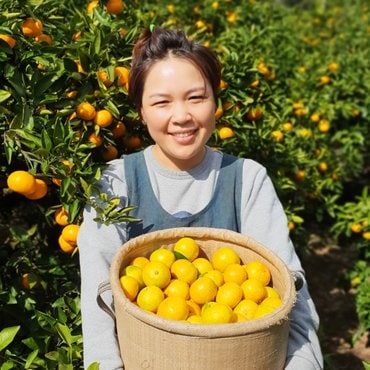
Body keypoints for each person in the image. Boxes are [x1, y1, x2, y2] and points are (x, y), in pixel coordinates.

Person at [77, 26, 323, 369]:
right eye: (162, 102)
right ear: (141, 111)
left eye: (196, 97)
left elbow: (290, 296)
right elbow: (98, 301)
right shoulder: (116, 182)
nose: (182, 116)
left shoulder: (246, 179)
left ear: (215, 101)